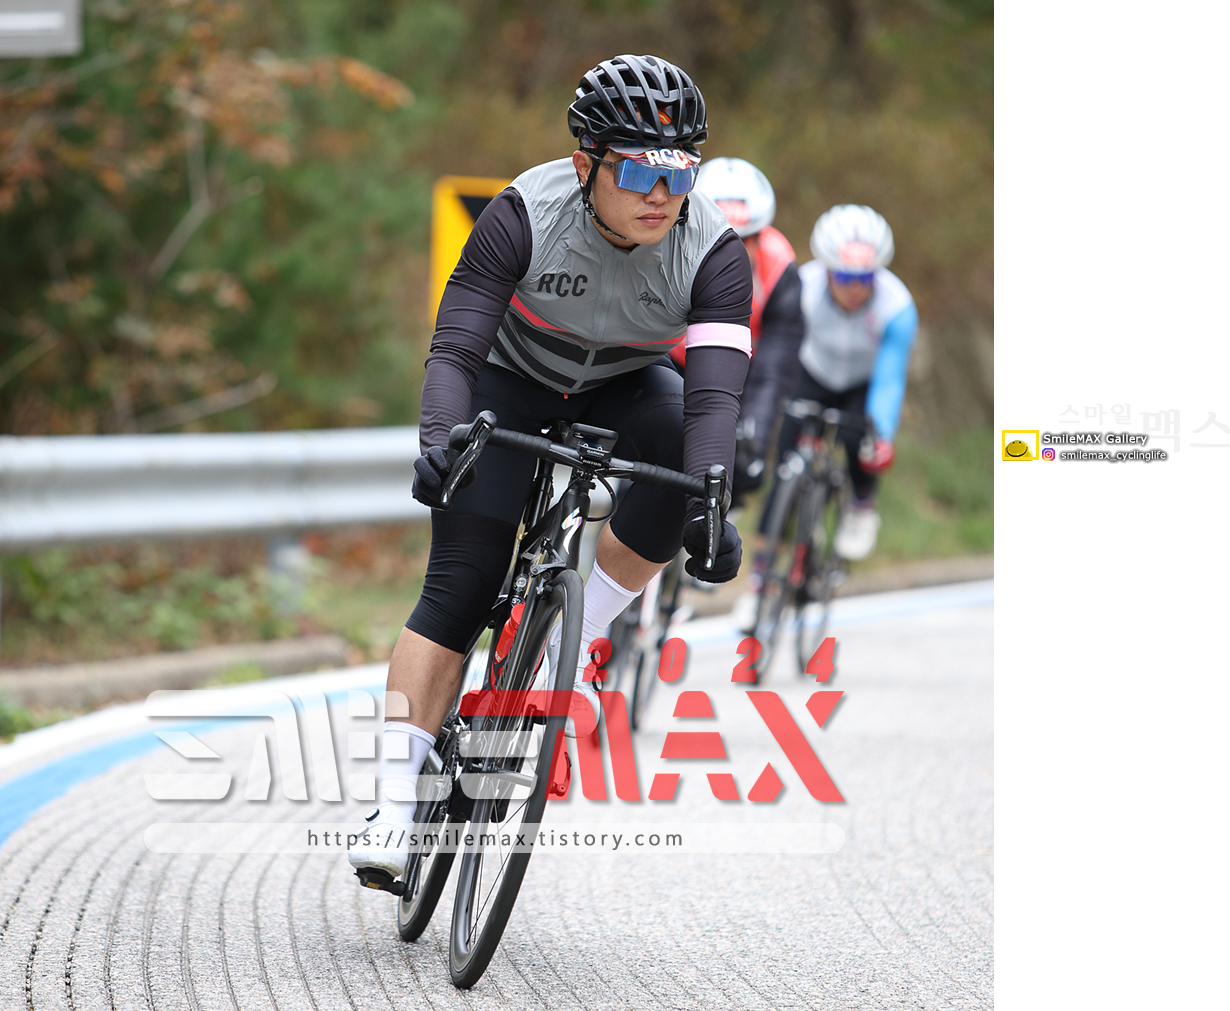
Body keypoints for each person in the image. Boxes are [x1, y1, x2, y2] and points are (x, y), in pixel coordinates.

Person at [350, 54, 754, 888]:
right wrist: (442, 441)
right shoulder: (523, 213)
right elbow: (456, 347)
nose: (661, 193)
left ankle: (583, 629)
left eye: (680, 172)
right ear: (585, 164)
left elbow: (715, 401)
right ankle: (391, 806)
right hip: (509, 378)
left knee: (683, 459)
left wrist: (711, 507)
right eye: (637, 170)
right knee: (461, 585)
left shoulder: (714, 249)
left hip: (625, 383)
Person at [739, 204, 917, 619]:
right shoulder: (802, 286)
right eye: (844, 276)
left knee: (860, 438)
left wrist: (882, 435)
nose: (854, 288)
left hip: (863, 382)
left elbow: (890, 379)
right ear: (827, 268)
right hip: (812, 372)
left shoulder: (896, 306)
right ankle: (759, 582)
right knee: (784, 468)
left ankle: (861, 504)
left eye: (864, 278)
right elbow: (779, 350)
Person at [684, 156, 803, 510]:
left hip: (738, 367)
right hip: (672, 357)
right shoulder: (667, 248)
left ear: (762, 234)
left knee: (737, 464)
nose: (733, 248)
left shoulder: (779, 266)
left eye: (746, 238)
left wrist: (754, 439)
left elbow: (773, 370)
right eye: (720, 233)